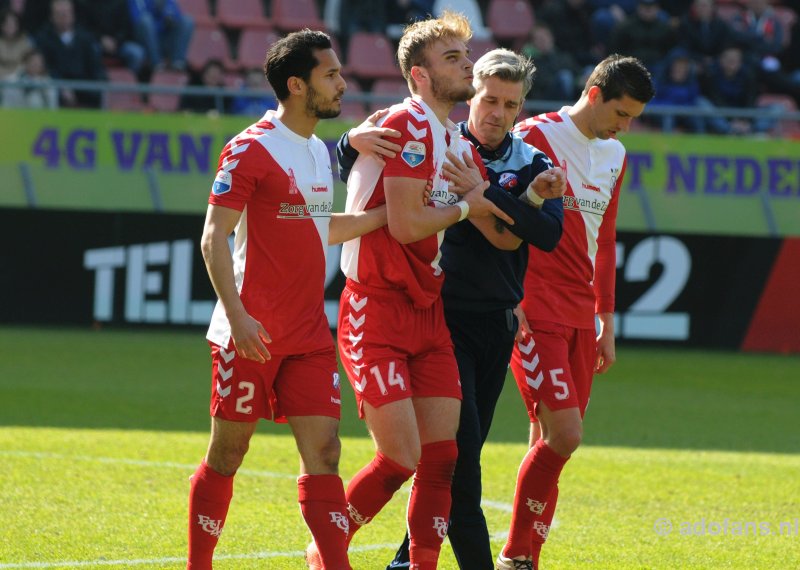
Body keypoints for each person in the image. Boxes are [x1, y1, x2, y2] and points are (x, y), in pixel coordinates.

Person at [337, 47, 566, 569]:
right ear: (472, 97)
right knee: (455, 466)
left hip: (498, 322)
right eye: (489, 99)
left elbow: (545, 235)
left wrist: (500, 199)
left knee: (454, 463)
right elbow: (361, 164)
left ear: (521, 109)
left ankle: (405, 561)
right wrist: (347, 140)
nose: (497, 112)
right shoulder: (442, 141)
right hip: (441, 319)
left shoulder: (530, 162)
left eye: (510, 105)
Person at [310, 12, 517, 570]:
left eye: (465, 56)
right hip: (375, 305)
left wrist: (532, 205)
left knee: (443, 457)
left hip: (427, 308)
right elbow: (404, 225)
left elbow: (497, 230)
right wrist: (465, 205)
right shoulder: (405, 124)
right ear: (419, 74)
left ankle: (421, 564)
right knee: (400, 457)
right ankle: (325, 548)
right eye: (452, 58)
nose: (467, 65)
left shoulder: (450, 135)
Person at [186, 29, 389, 570]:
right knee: (228, 455)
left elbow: (319, 226)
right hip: (249, 333)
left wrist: (385, 218)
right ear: (296, 85)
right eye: (331, 75)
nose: (343, 83)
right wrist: (238, 318)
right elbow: (213, 237)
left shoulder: (321, 152)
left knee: (325, 454)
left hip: (306, 336)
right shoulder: (249, 147)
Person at [498, 54, 655, 570]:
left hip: (580, 312)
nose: (625, 126)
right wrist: (510, 294)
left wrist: (606, 321)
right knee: (565, 435)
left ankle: (526, 558)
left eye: (632, 118)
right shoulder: (535, 136)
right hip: (534, 303)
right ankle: (517, 557)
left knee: (548, 441)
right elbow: (500, 215)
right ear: (594, 94)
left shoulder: (615, 153)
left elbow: (605, 241)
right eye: (622, 113)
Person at [34, 0, 106, 108]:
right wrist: (62, 86)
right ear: (52, 17)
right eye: (59, 14)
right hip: (56, 87)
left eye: (67, 13)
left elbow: (95, 67)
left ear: (73, 15)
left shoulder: (86, 38)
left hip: (84, 87)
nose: (64, 17)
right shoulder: (43, 39)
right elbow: (45, 68)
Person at [127, 0, 193, 71]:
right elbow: (138, 20)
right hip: (144, 43)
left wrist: (170, 17)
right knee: (146, 20)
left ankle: (177, 63)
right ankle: (156, 63)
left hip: (164, 40)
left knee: (187, 20)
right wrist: (161, 24)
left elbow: (176, 14)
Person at [0, 9, 34, 79]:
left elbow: (29, 62)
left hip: (20, 79)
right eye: (7, 24)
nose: (10, 27)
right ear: (2, 26)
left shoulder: (25, 41)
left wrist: (17, 75)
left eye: (13, 24)